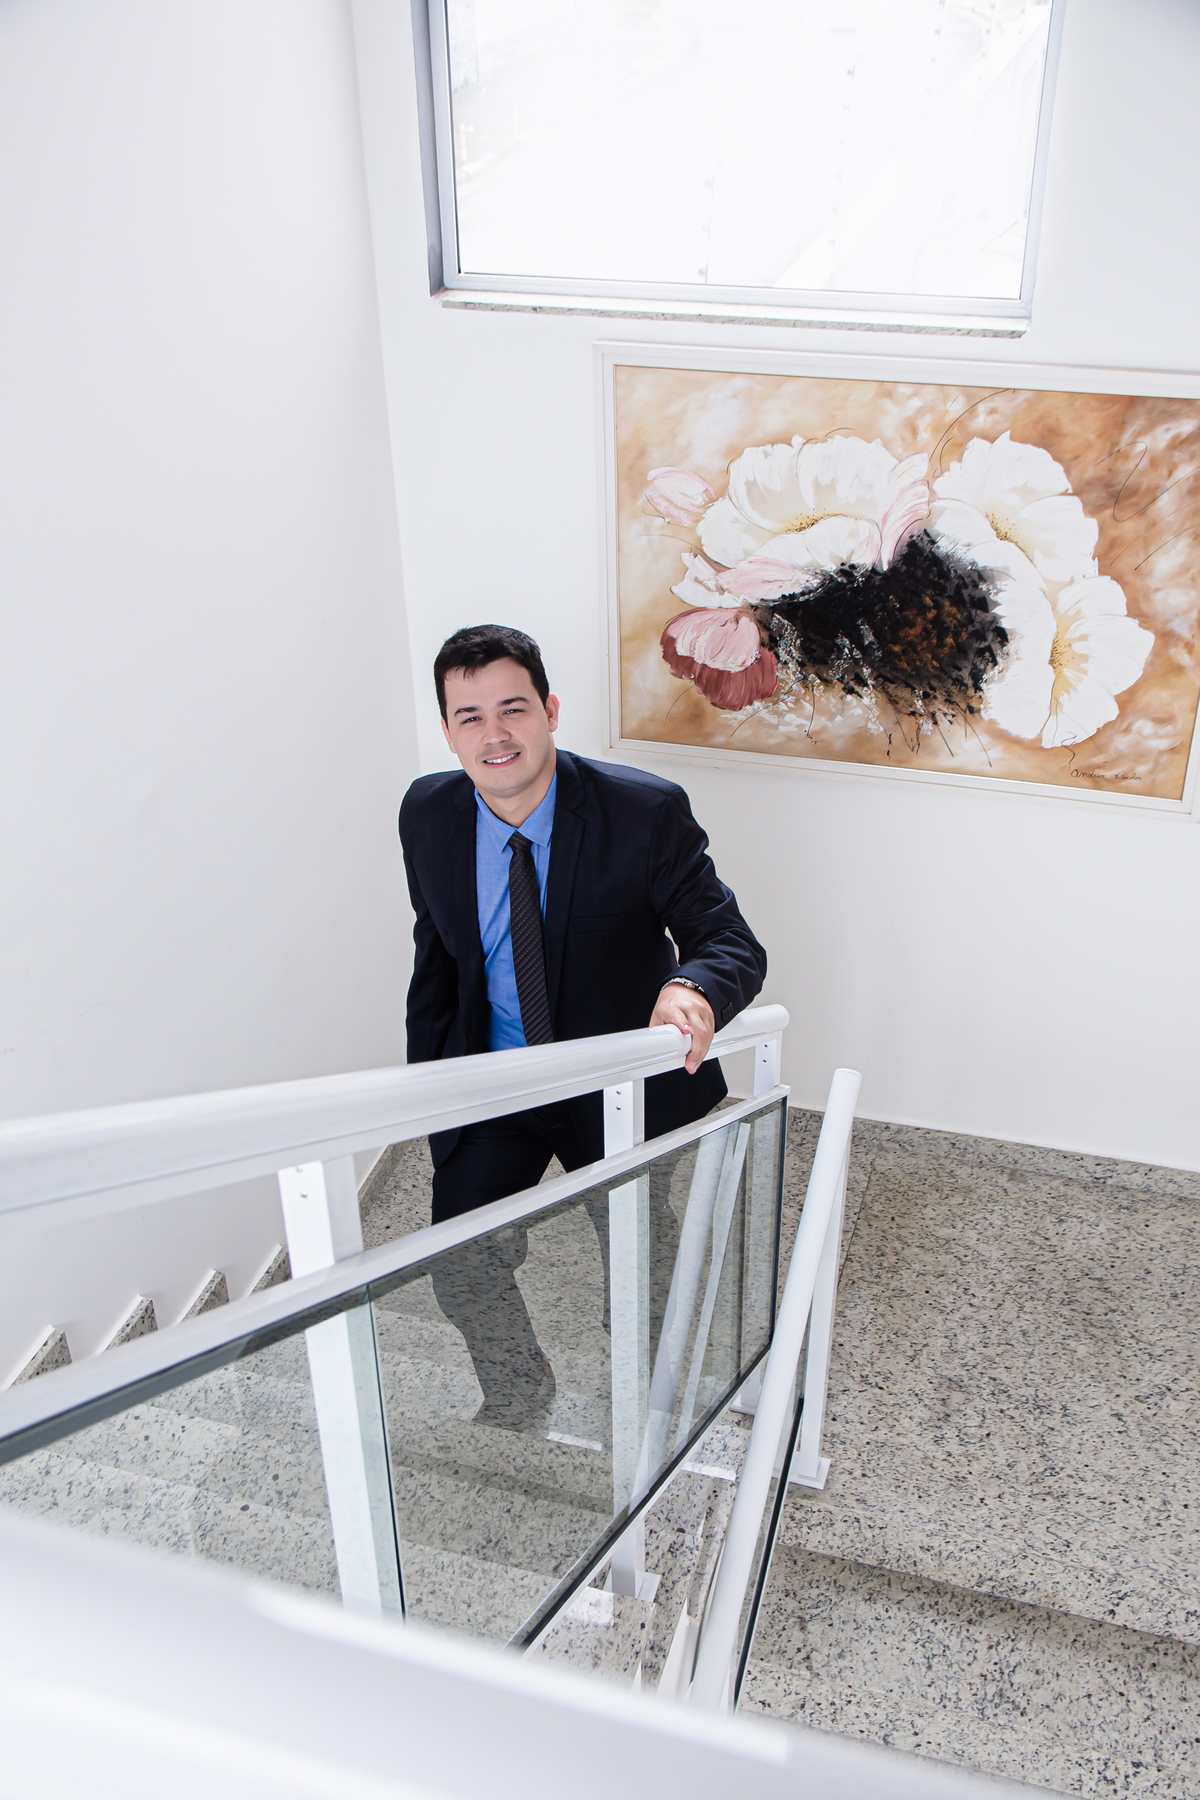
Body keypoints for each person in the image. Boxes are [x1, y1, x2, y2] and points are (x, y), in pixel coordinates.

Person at [399, 624, 766, 1429]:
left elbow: (729, 941)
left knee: (639, 1269)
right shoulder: (427, 814)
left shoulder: (642, 812)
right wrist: (433, 1095)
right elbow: (438, 961)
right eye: (469, 717)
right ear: (449, 732)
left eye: (513, 709)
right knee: (458, 1262)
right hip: (498, 1080)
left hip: (616, 1085)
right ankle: (517, 1392)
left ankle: (657, 1404)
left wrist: (690, 989)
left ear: (551, 711)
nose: (495, 735)